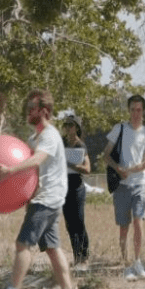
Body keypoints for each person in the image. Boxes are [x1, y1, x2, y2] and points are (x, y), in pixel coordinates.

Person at [0, 89, 78, 289]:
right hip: (45, 197)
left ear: (44, 111)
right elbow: (33, 174)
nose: (27, 112)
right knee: (53, 248)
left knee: (22, 244)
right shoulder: (34, 137)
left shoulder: (49, 135)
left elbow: (38, 160)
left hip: (47, 199)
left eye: (31, 108)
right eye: (27, 108)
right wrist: (26, 194)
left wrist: (10, 171)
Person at [102, 94, 145, 281]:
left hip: (139, 184)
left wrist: (131, 169)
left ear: (143, 111)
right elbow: (106, 155)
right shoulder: (119, 129)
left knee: (138, 222)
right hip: (122, 186)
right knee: (123, 227)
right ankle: (126, 264)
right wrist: (118, 169)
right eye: (132, 109)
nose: (136, 113)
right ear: (129, 110)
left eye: (139, 110)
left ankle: (138, 261)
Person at [61, 114, 91, 268]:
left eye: (71, 125)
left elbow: (87, 169)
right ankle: (76, 256)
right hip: (63, 188)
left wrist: (70, 164)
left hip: (77, 188)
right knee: (69, 224)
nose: (68, 128)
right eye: (66, 125)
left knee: (79, 222)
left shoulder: (81, 146)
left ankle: (84, 257)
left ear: (77, 128)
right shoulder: (62, 142)